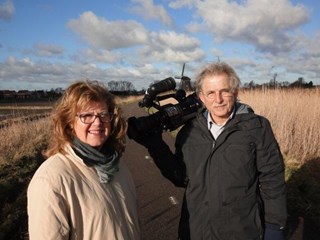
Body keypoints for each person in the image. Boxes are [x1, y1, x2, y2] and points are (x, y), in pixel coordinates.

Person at [130, 62, 287, 240]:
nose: (218, 99)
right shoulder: (190, 131)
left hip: (242, 232)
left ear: (235, 92)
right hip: (196, 231)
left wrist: (275, 226)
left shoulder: (257, 127)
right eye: (211, 93)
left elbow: (272, 178)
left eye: (224, 91)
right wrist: (155, 144)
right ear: (201, 97)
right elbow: (180, 177)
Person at [27, 80, 140, 239]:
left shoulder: (118, 166)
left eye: (103, 114)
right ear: (69, 123)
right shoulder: (50, 180)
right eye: (86, 115)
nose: (98, 122)